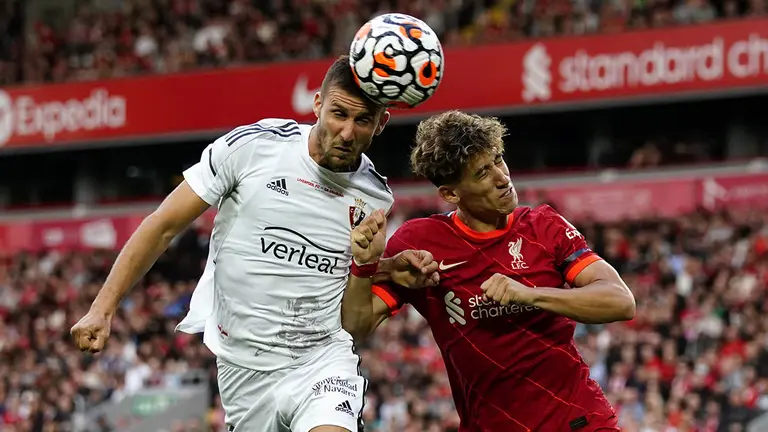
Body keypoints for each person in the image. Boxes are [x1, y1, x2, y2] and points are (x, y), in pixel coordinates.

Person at [69, 55, 436, 432]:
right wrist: (103, 308)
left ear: (381, 123)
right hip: (243, 368)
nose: (346, 132)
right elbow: (163, 225)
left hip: (321, 359)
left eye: (362, 120)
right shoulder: (254, 147)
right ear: (317, 104)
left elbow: (336, 277)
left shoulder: (374, 196)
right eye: (338, 114)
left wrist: (378, 267)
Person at [352, 110, 637, 431]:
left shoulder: (544, 226)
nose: (502, 178)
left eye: (498, 160)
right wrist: (365, 266)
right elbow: (357, 325)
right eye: (482, 173)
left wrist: (530, 295)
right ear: (451, 193)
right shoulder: (419, 243)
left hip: (577, 419)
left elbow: (621, 302)